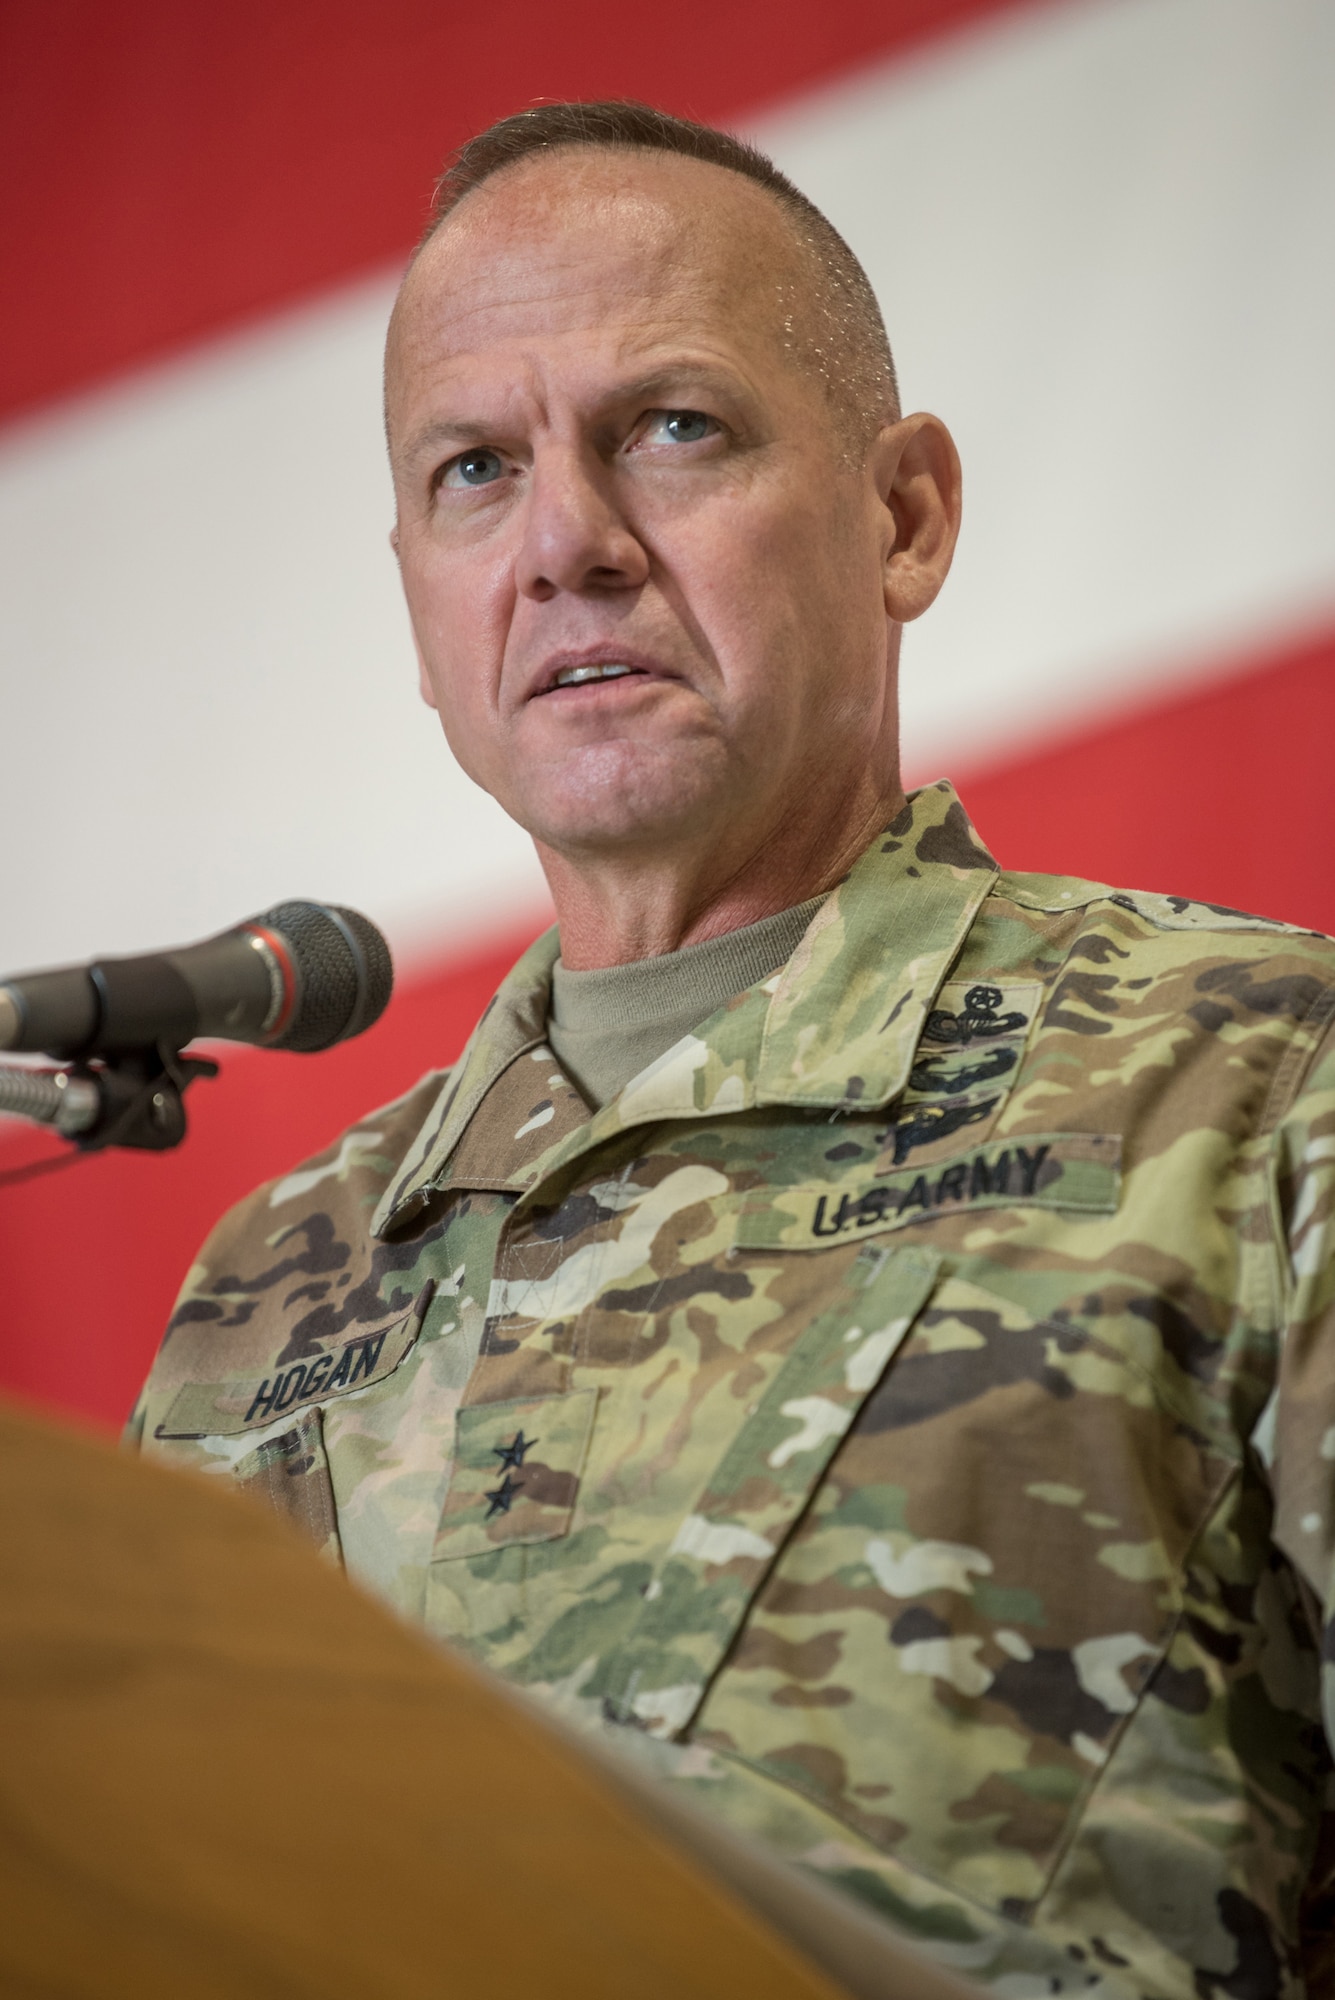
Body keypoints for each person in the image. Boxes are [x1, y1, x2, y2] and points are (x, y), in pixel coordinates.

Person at [132, 102, 1335, 1998]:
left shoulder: (1262, 1080)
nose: (565, 546)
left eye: (671, 429)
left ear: (904, 515)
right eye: (472, 470)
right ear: (420, 605)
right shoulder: (266, 1296)